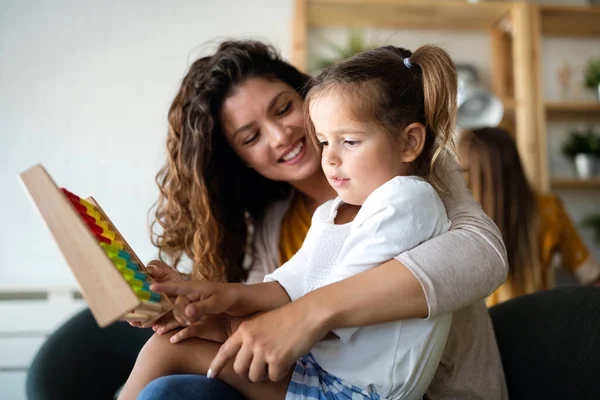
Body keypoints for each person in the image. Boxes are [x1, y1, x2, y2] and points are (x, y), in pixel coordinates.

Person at [28, 39, 508, 400]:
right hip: (321, 379)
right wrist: (209, 309)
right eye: (251, 136)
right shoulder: (292, 222)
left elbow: (482, 256)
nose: (281, 136)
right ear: (239, 159)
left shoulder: (415, 176)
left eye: (284, 108)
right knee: (170, 358)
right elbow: (275, 328)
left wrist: (307, 313)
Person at [119, 44, 457, 400]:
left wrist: (221, 324)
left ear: (409, 143)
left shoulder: (407, 199)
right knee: (167, 347)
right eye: (325, 142)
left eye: (350, 141)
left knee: (171, 351)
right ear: (240, 159)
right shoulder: (330, 211)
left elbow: (330, 310)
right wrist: (208, 295)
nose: (331, 158)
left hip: (355, 392)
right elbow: (288, 285)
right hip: (323, 373)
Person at [458, 126, 600, 307]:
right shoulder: (549, 210)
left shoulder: (457, 219)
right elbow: (590, 274)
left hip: (480, 331)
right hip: (538, 326)